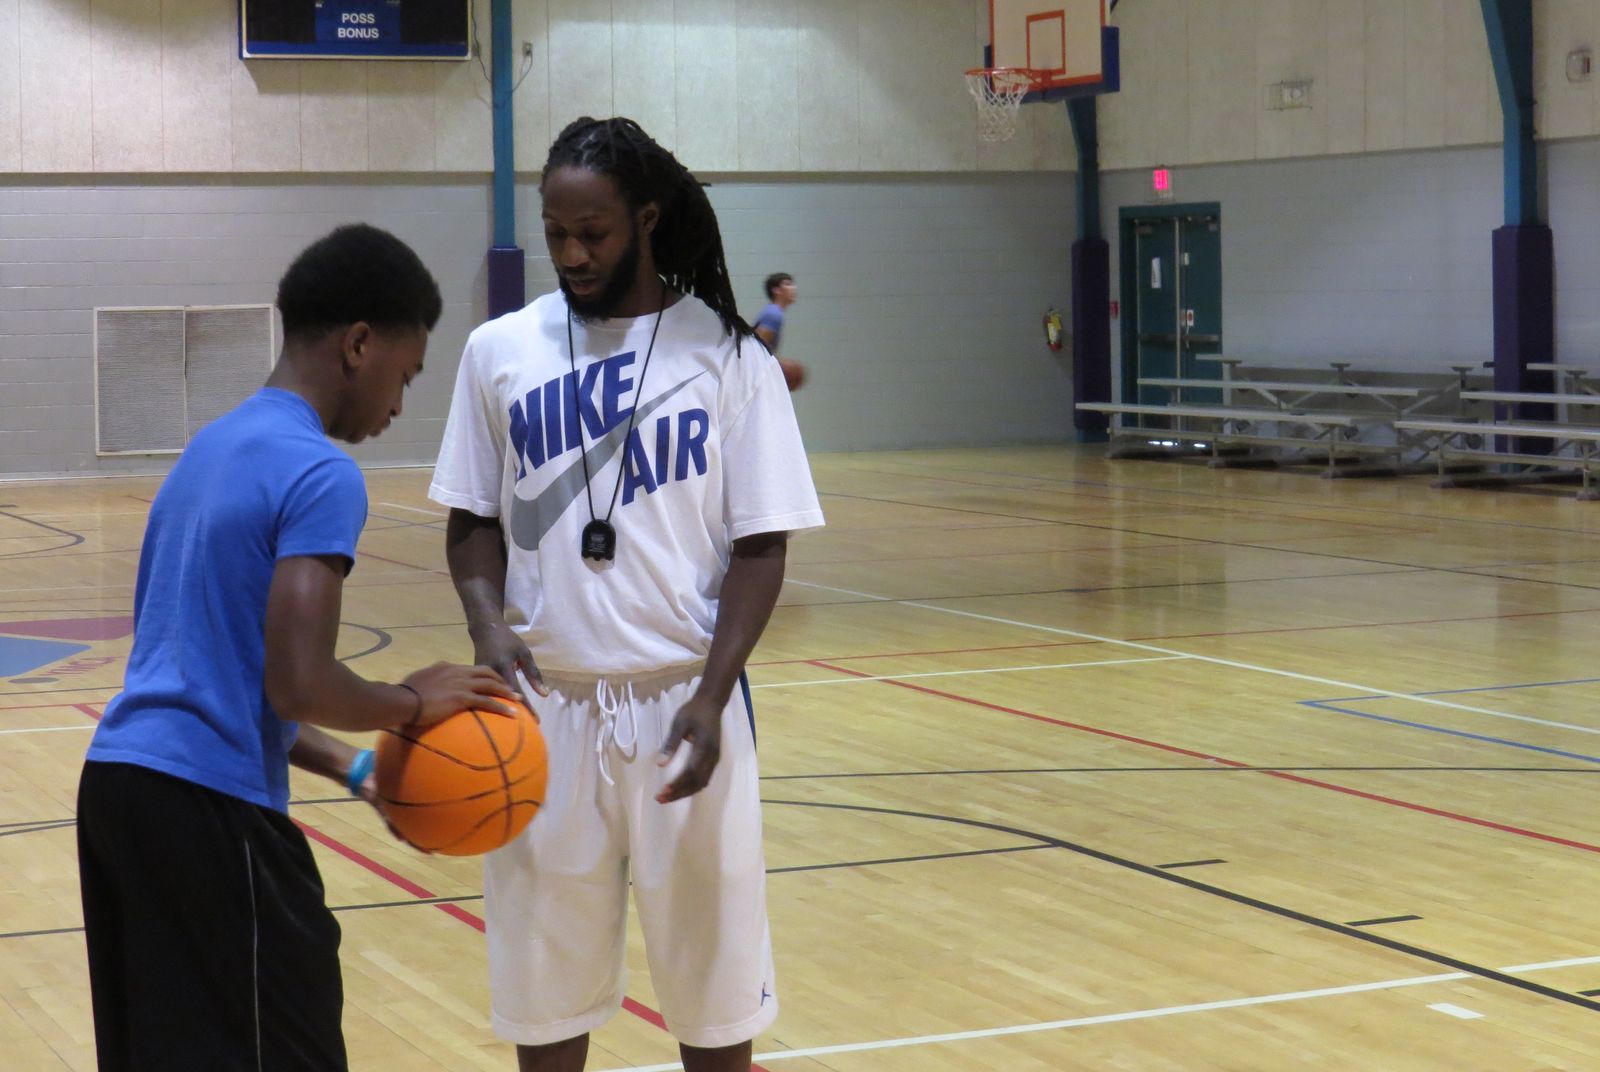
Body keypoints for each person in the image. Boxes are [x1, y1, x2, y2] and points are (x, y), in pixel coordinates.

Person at [430, 116, 825, 1072]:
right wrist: (486, 626)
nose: (572, 254)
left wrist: (714, 693)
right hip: (543, 709)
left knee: (716, 1011)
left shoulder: (728, 358)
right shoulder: (498, 350)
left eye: (593, 232)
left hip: (685, 704)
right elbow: (472, 520)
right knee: (542, 1010)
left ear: (645, 218)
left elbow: (761, 547)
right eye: (555, 233)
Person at [76, 223, 517, 1072]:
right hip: (207, 813)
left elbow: (221, 676)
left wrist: (358, 769)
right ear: (359, 344)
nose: (399, 405)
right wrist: (412, 704)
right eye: (405, 375)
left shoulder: (210, 448)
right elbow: (300, 682)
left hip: (119, 791)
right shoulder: (320, 472)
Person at [752, 272, 796, 355]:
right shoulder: (773, 314)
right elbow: (758, 350)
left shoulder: (774, 312)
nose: (794, 288)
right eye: (788, 284)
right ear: (776, 290)